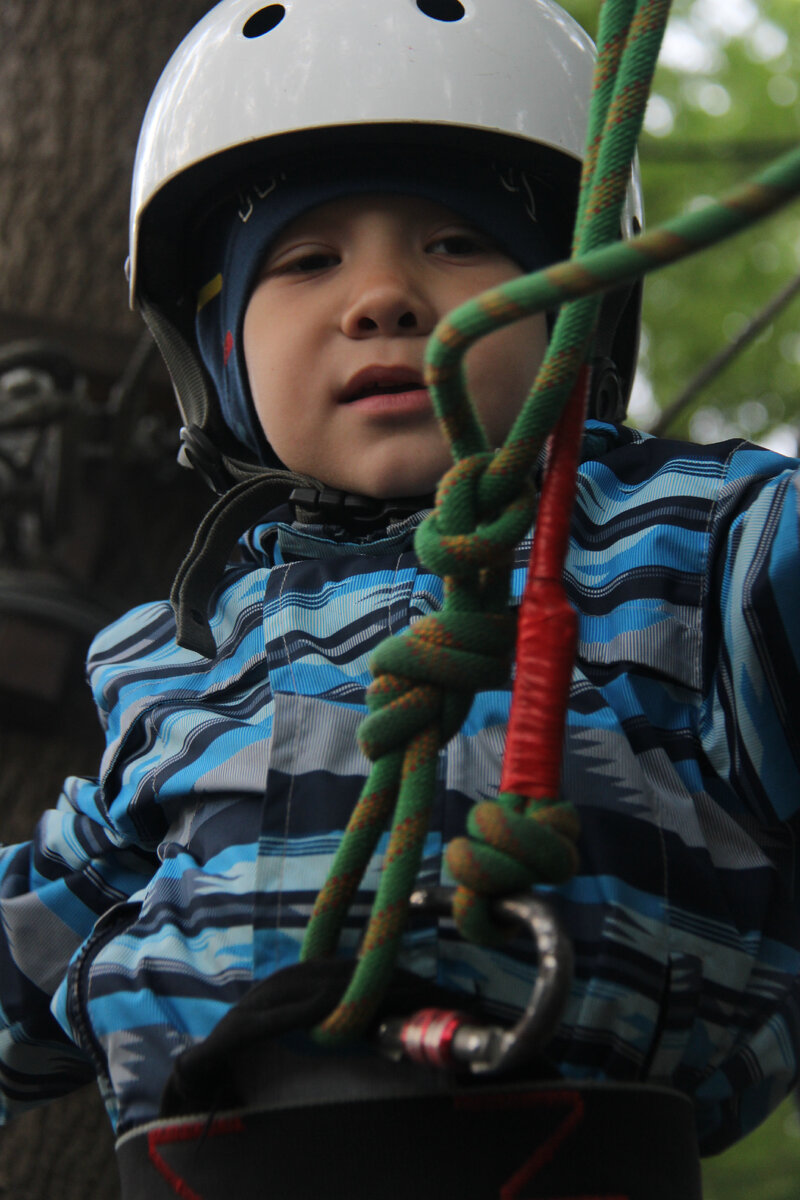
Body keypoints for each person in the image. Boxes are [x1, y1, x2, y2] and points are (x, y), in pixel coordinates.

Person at [1, 0, 798, 1178]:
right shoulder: (171, 654)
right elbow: (37, 935)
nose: (381, 297)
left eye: (455, 245)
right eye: (307, 259)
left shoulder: (682, 547)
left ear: (579, 310)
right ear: (216, 355)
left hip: (563, 1150)